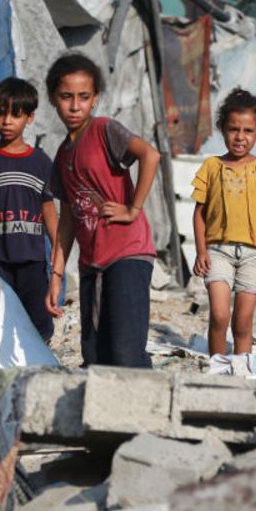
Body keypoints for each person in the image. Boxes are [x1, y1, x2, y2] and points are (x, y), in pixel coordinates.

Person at [44, 52, 161, 368]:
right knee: (95, 355)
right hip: (91, 263)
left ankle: (144, 411)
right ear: (54, 98)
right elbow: (67, 220)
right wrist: (56, 275)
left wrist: (132, 209)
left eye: (83, 97)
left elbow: (150, 155)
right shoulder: (62, 155)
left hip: (127, 253)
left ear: (94, 99)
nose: (74, 105)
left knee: (126, 350)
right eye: (66, 96)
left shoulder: (104, 130)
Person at [192, 89, 256, 374]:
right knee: (220, 316)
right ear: (222, 129)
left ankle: (241, 373)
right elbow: (199, 213)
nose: (240, 136)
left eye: (248, 131)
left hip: (253, 256)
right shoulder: (211, 167)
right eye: (233, 129)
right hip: (217, 251)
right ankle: (217, 370)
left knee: (243, 322)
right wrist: (200, 251)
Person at [0, 77, 58, 340]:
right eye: (0, 114)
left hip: (32, 257)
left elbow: (49, 208)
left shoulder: (40, 162)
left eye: (15, 115)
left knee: (38, 319)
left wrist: (58, 249)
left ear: (29, 118)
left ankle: (39, 361)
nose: (7, 121)